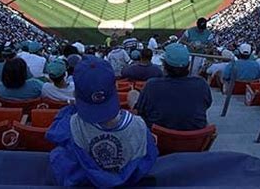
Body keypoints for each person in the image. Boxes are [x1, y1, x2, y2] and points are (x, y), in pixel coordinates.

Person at [45, 56, 157, 187]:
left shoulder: (68, 126)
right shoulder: (139, 126)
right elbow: (147, 162)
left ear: (75, 93)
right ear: (115, 86)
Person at [135, 43, 212, 130]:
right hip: (194, 138)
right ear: (188, 65)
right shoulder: (201, 84)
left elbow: (140, 110)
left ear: (164, 65)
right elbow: (206, 104)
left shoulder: (152, 85)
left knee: (133, 95)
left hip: (157, 136)